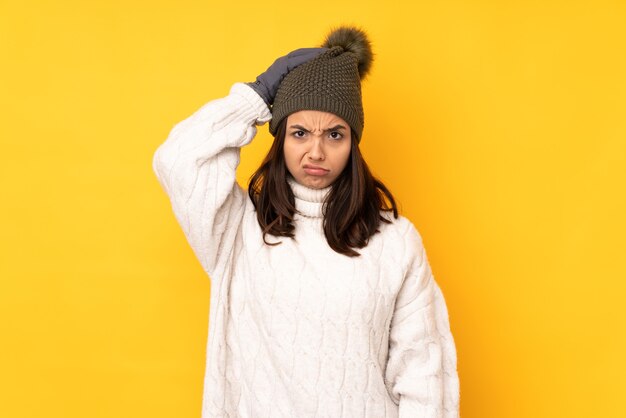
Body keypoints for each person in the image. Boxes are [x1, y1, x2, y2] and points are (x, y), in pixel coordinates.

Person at [153, 24, 460, 418]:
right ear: (280, 139)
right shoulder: (239, 230)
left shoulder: (395, 241)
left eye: (335, 134)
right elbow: (177, 160)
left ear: (353, 144)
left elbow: (424, 379)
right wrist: (257, 97)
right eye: (300, 132)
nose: (316, 151)